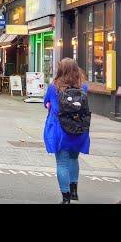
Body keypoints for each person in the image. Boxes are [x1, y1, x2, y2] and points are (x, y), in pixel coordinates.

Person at [43, 58, 90, 204]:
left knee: (62, 163)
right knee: (74, 159)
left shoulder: (54, 87)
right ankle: (74, 191)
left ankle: (66, 197)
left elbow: (46, 103)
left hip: (60, 130)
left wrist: (51, 104)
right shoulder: (83, 87)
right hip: (79, 129)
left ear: (60, 70)